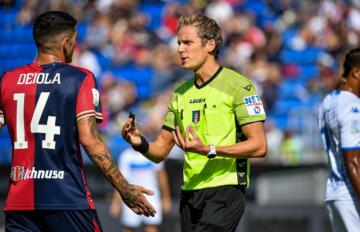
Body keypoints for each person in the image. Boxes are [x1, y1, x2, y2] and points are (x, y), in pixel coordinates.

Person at [0, 11, 155, 232]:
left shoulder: (8, 80)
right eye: (74, 41)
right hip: (66, 198)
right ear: (66, 43)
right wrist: (124, 188)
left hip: (19, 204)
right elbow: (90, 140)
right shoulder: (79, 78)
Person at [122, 14, 267, 232]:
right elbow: (160, 150)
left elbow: (259, 146)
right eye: (179, 43)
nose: (180, 49)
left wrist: (209, 150)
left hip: (225, 190)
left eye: (187, 43)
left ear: (210, 45)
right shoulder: (180, 93)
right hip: (189, 192)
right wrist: (138, 141)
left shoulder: (239, 86)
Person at [319, 48, 360, 232]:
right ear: (356, 72)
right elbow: (353, 160)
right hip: (351, 195)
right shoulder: (352, 107)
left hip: (335, 192)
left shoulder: (328, 101)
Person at [109, 147, 172, 232]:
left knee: (151, 227)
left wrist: (166, 198)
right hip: (131, 197)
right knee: (129, 227)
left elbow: (161, 177)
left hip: (151, 197)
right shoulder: (125, 156)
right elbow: (120, 181)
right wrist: (116, 203)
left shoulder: (154, 152)